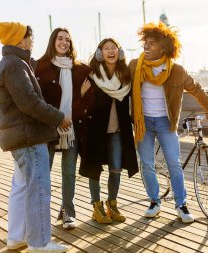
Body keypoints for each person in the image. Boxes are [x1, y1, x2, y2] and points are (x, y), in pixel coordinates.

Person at [129, 22, 208, 223]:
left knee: (174, 164)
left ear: (164, 47)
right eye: (145, 42)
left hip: (165, 123)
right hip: (143, 123)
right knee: (147, 164)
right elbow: (118, 81)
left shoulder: (176, 71)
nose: (147, 46)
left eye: (152, 43)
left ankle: (181, 204)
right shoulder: (135, 66)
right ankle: (154, 201)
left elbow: (195, 89)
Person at [0, 22, 68, 252]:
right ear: (19, 39)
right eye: (30, 36)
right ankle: (39, 242)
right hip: (29, 138)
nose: (33, 40)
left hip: (19, 138)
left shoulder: (12, 63)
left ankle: (16, 237)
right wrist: (59, 117)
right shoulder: (15, 65)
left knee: (22, 188)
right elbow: (29, 103)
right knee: (38, 189)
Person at [34, 28, 94, 230]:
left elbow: (88, 98)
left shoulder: (81, 69)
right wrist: (57, 118)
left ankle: (68, 212)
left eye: (67, 39)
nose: (64, 42)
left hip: (73, 127)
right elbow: (37, 99)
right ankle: (41, 213)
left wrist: (70, 115)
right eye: (60, 38)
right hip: (48, 127)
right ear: (53, 41)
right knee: (45, 171)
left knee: (69, 172)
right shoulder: (40, 67)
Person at [79, 38, 138, 224]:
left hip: (119, 129)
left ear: (119, 52)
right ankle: (96, 207)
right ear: (100, 53)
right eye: (106, 48)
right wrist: (81, 94)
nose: (110, 51)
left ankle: (112, 205)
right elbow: (83, 100)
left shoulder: (126, 75)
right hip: (96, 129)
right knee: (94, 168)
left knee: (116, 168)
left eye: (114, 48)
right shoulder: (92, 74)